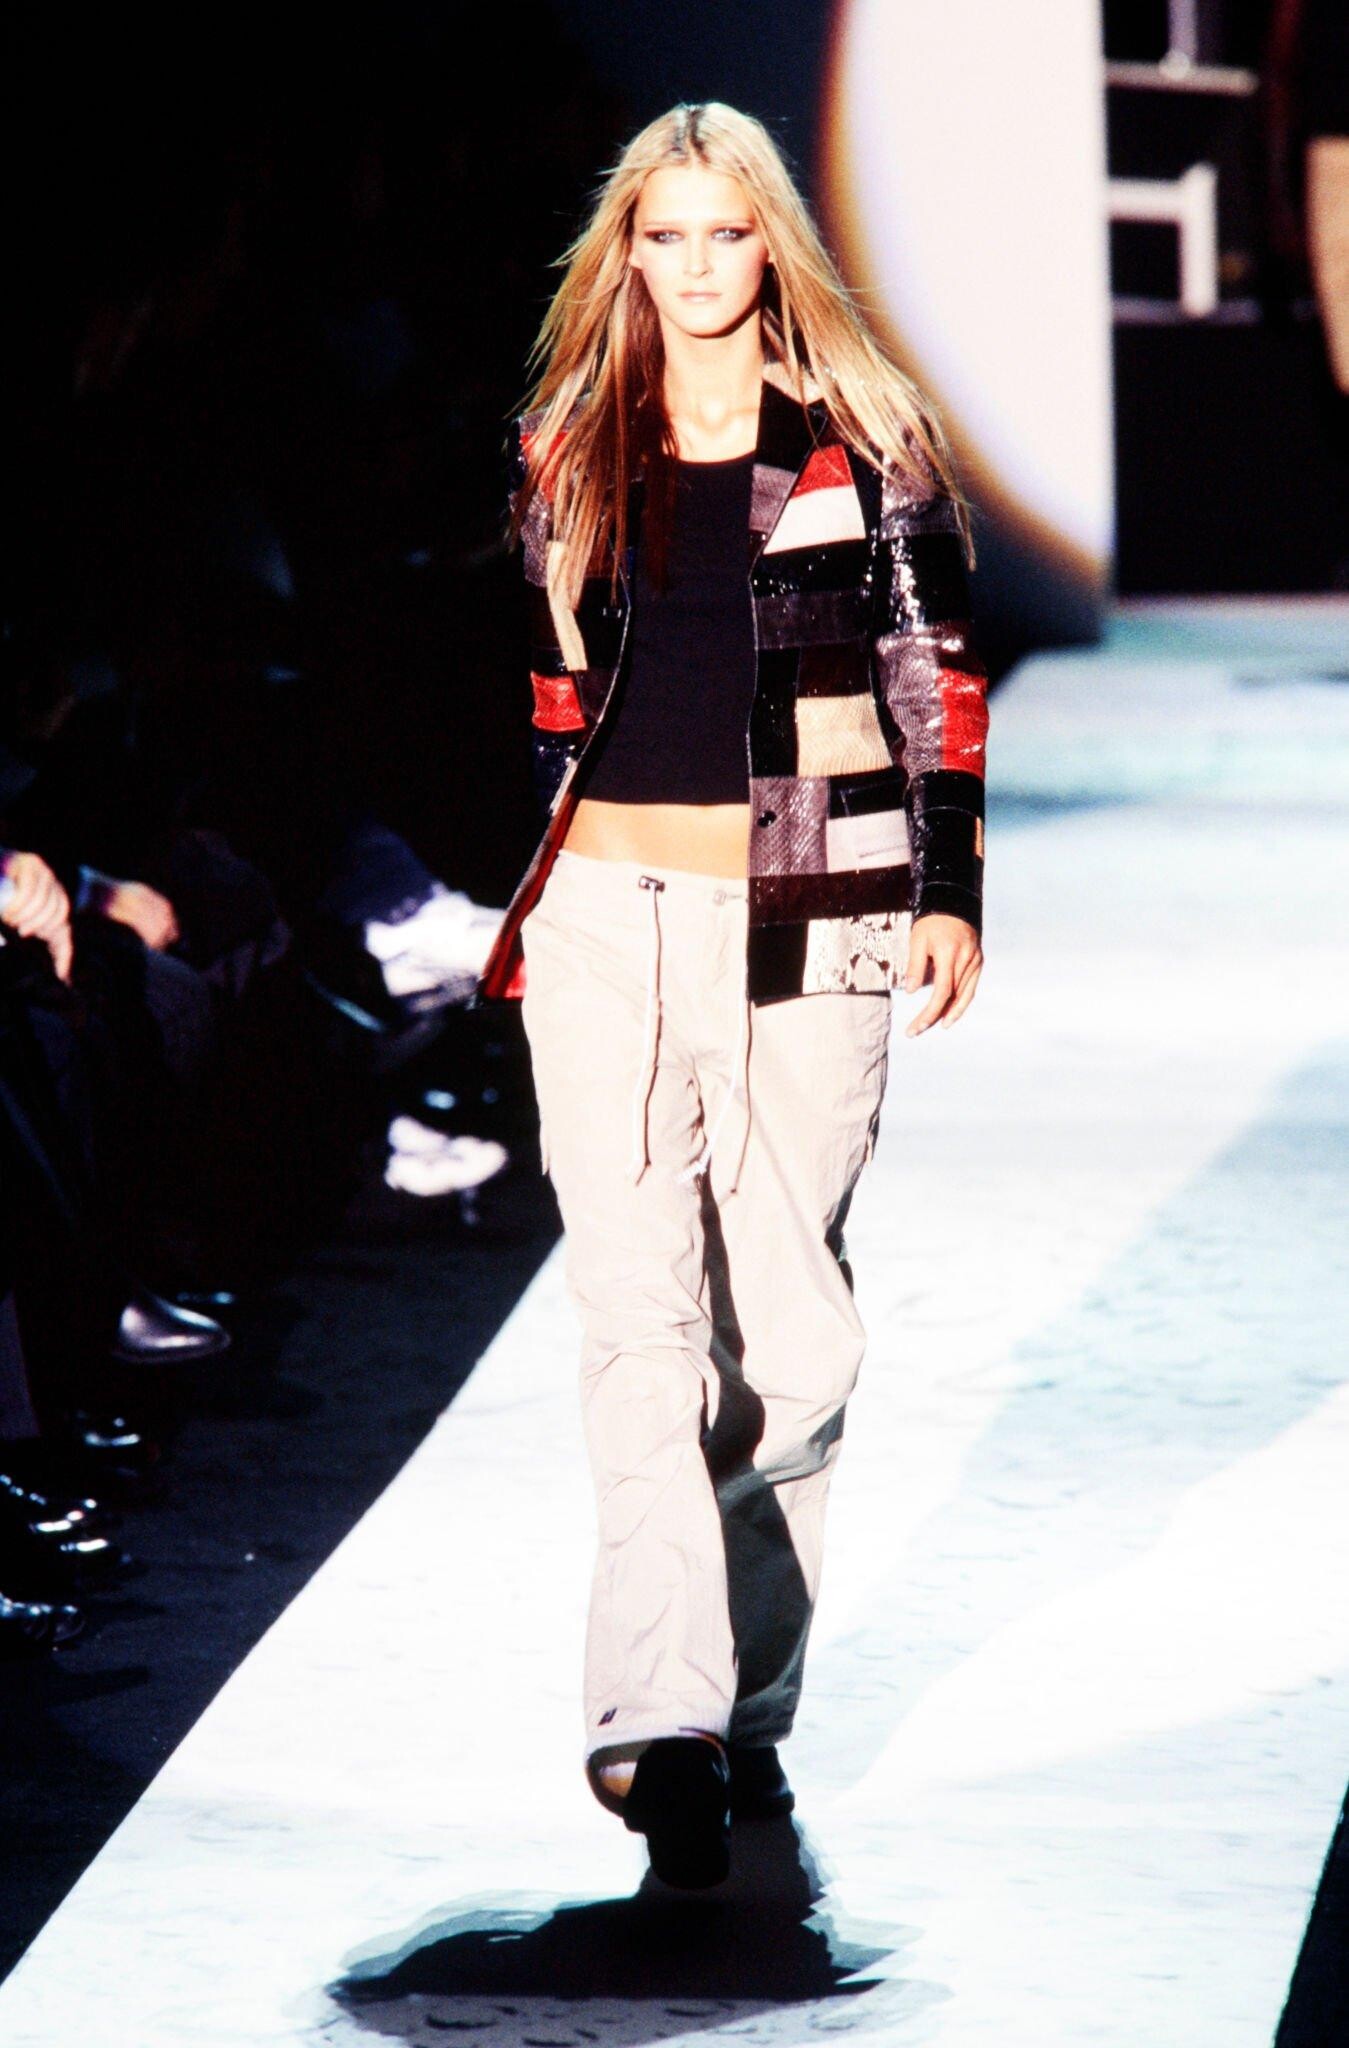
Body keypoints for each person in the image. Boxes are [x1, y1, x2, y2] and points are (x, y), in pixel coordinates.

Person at [472, 102, 989, 1888]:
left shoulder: (865, 436)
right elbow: (543, 702)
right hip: (602, 917)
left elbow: (930, 673)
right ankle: (662, 1716)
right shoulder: (564, 445)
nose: (696, 265)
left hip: (812, 911)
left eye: (726, 232)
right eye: (664, 235)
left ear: (771, 243)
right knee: (636, 1324)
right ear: (625, 253)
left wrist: (947, 890)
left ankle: (742, 1705)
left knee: (788, 1339)